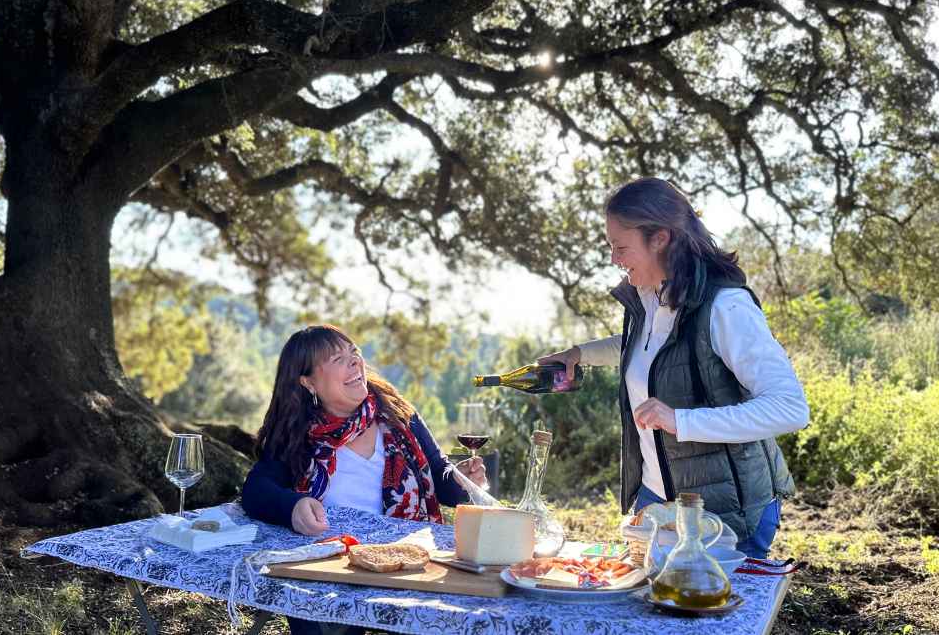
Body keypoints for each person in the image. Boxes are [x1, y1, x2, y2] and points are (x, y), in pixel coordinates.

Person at [539, 177, 809, 559]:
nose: (614, 259)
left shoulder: (726, 307)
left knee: (713, 616)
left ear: (660, 239)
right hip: (655, 501)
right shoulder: (649, 296)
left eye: (621, 247)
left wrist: (681, 420)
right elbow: (647, 348)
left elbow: (789, 408)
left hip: (723, 511)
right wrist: (579, 354)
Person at [243, 324, 485, 635]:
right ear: (308, 382)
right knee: (315, 613)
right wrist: (292, 505)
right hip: (334, 565)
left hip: (406, 560)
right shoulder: (298, 433)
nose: (355, 362)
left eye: (354, 353)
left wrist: (464, 480)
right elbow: (256, 490)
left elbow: (442, 480)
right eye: (338, 359)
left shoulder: (398, 415)